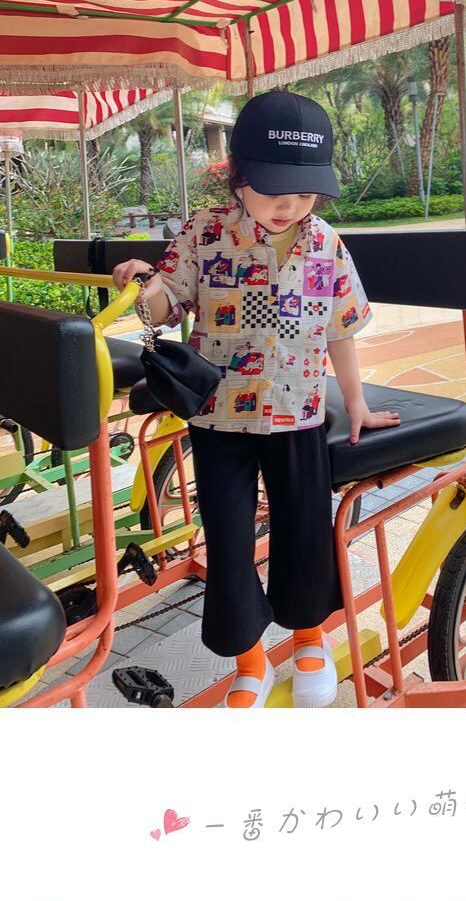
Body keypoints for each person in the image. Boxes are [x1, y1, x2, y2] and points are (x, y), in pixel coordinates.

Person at [111, 89, 400, 708]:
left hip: (299, 413)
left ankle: (310, 638)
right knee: (227, 537)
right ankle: (249, 660)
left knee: (304, 528)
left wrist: (355, 402)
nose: (288, 204)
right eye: (273, 189)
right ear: (238, 176)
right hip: (219, 416)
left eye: (304, 192)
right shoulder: (204, 232)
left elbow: (341, 330)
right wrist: (146, 283)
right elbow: (168, 302)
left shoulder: (327, 243)